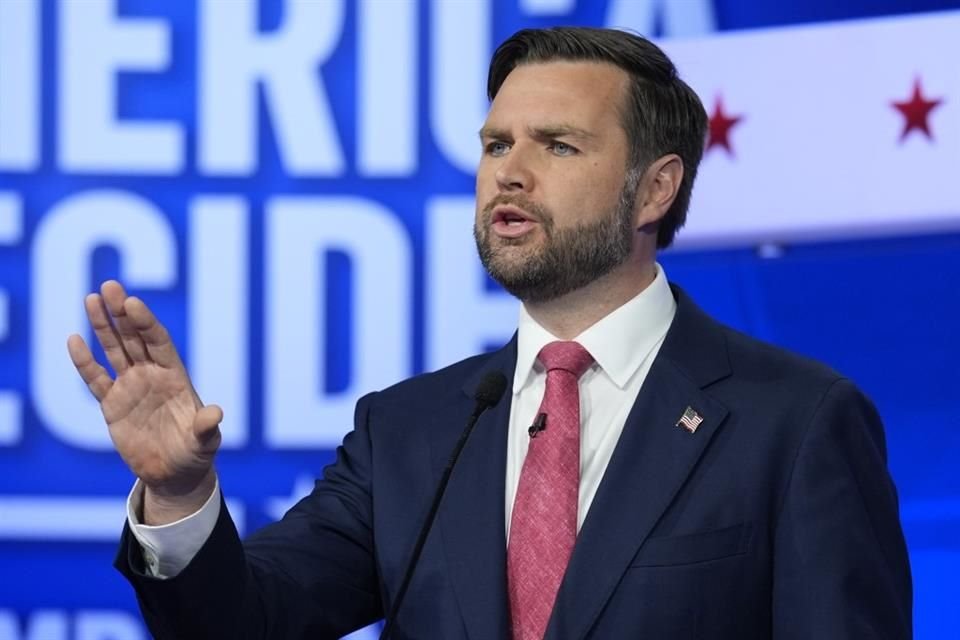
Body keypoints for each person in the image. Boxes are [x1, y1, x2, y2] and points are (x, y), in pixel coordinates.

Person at [68, 27, 912, 639]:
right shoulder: (412, 429)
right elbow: (246, 624)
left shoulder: (794, 422)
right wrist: (178, 498)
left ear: (655, 190)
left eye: (559, 145)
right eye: (495, 143)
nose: (508, 170)